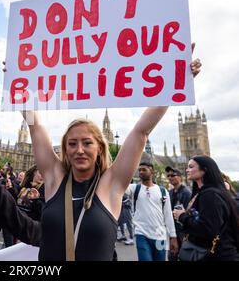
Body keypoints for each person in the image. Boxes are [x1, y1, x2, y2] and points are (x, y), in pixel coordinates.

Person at [19, 56, 201, 261]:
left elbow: (142, 131)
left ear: (99, 148)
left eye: (87, 143)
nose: (79, 150)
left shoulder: (111, 183)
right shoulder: (55, 178)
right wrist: (18, 81)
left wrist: (178, 80)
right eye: (72, 144)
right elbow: (35, 125)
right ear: (65, 150)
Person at [173, 156, 239, 261]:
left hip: (217, 254)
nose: (187, 170)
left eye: (191, 167)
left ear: (204, 170)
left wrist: (182, 216)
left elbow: (207, 229)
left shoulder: (210, 194)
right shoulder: (205, 192)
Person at [126, 162, 177, 261]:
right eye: (139, 170)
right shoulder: (134, 188)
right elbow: (120, 186)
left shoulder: (163, 191)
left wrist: (173, 236)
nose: (141, 172)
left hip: (160, 236)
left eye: (144, 170)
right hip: (141, 234)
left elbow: (168, 215)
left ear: (152, 171)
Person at [166, 165, 192, 260]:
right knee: (172, 255)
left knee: (183, 256)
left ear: (180, 177)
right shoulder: (170, 192)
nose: (170, 177)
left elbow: (189, 213)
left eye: (173, 175)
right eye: (168, 176)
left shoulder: (186, 193)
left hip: (182, 231)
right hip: (172, 230)